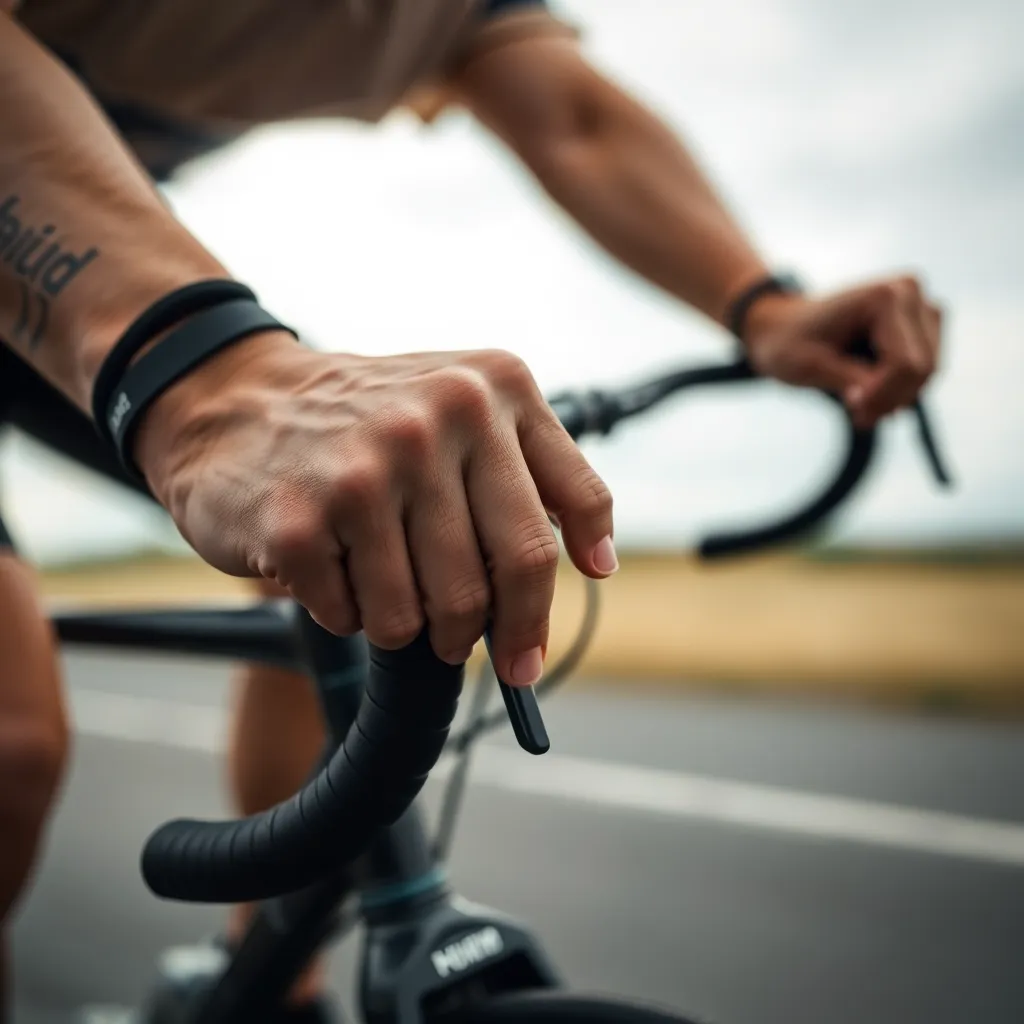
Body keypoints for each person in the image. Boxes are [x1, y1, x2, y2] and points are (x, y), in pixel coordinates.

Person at [0, 0, 942, 1018]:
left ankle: (269, 978)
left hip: (56, 281)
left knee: (343, 532)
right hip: (97, 282)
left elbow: (574, 117)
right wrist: (207, 365)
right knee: (13, 742)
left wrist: (761, 303)